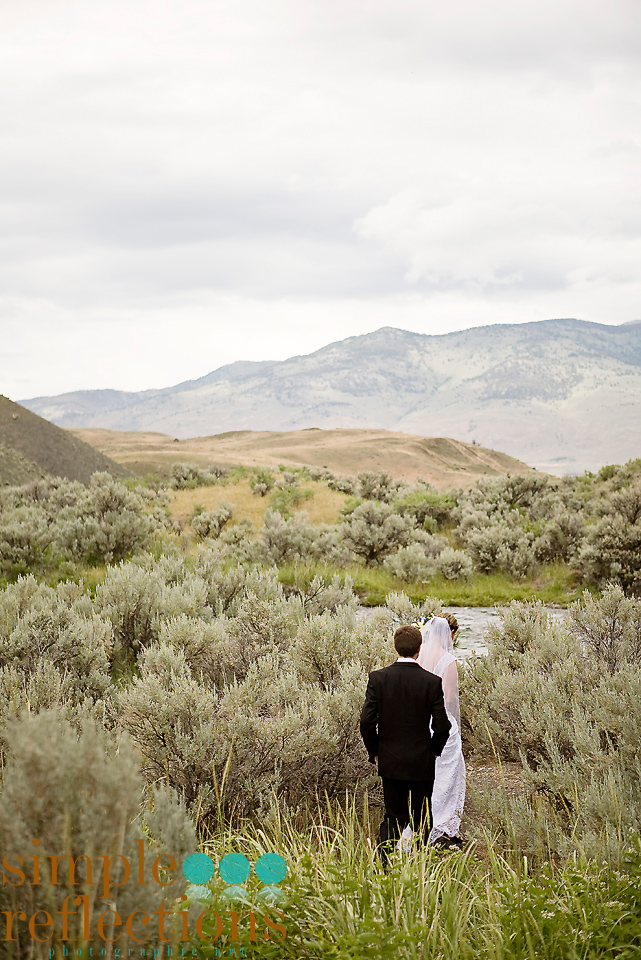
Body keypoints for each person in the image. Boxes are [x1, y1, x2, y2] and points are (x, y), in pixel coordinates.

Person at [360, 624, 451, 865]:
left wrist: (375, 752)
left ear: (395, 647)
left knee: (394, 816)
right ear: (419, 649)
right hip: (421, 760)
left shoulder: (378, 679)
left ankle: (383, 865)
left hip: (390, 760)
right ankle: (421, 865)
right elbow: (443, 726)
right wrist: (433, 751)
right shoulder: (431, 682)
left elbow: (367, 722)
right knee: (423, 814)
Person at [417, 615, 466, 844]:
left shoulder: (418, 653)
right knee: (446, 773)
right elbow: (450, 699)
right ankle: (441, 824)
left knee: (425, 773)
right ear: (451, 634)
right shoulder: (447, 660)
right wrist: (453, 722)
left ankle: (421, 823)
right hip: (439, 721)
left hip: (419, 720)